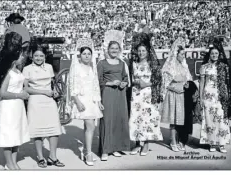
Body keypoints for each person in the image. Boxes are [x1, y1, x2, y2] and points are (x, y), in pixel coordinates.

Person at [23, 44, 65, 168]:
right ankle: (40, 157)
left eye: (41, 56)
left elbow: (52, 84)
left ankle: (53, 157)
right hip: (35, 100)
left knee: (54, 130)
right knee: (38, 130)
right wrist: (43, 92)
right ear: (31, 56)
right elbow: (26, 88)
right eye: (36, 56)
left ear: (45, 56)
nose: (38, 58)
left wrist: (54, 91)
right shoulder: (27, 69)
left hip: (49, 100)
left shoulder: (49, 67)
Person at [0, 33, 30, 171]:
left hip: (18, 106)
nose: (23, 57)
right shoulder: (8, 72)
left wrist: (24, 93)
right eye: (21, 55)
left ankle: (13, 162)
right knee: (9, 135)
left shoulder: (18, 70)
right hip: (9, 106)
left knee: (16, 134)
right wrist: (20, 95)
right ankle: (9, 163)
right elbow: (2, 93)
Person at [67, 38, 104, 166]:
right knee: (91, 126)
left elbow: (96, 85)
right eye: (84, 54)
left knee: (89, 127)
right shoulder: (76, 68)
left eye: (89, 54)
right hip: (82, 100)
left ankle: (86, 151)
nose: (87, 56)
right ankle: (88, 152)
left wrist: (98, 101)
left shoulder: (92, 68)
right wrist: (77, 101)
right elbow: (72, 86)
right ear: (80, 55)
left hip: (92, 100)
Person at [97, 30, 130, 161]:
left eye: (116, 48)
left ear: (119, 50)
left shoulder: (122, 63)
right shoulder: (102, 63)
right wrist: (110, 83)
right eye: (112, 48)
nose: (114, 50)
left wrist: (124, 83)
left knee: (119, 120)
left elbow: (126, 78)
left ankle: (116, 148)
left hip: (120, 94)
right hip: (108, 93)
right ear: (108, 49)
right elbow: (98, 81)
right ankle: (105, 150)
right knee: (107, 121)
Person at [129, 33, 163, 156]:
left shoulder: (153, 64)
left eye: (143, 51)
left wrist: (146, 84)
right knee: (136, 117)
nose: (141, 53)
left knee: (147, 118)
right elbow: (130, 79)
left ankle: (146, 144)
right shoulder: (133, 64)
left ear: (148, 51)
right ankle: (138, 143)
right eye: (139, 51)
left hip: (148, 94)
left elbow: (158, 81)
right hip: (136, 94)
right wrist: (136, 82)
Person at [199, 38, 231, 153]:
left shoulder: (224, 67)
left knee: (221, 119)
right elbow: (202, 83)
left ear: (219, 54)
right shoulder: (204, 67)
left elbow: (228, 83)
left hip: (220, 96)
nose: (214, 55)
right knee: (209, 120)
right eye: (212, 53)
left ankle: (222, 143)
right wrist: (200, 98)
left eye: (216, 53)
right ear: (209, 54)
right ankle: (212, 143)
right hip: (208, 96)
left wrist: (228, 96)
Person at [161, 37, 196, 152]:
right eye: (181, 54)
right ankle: (172, 141)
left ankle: (178, 140)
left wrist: (186, 84)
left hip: (183, 96)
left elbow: (189, 80)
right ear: (176, 54)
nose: (183, 57)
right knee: (173, 120)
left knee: (180, 120)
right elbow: (166, 83)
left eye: (184, 54)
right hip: (173, 95)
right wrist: (178, 86)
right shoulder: (169, 67)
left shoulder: (184, 66)